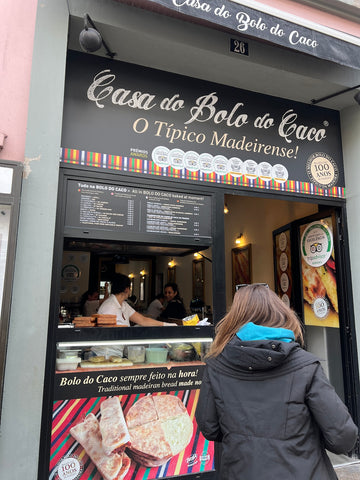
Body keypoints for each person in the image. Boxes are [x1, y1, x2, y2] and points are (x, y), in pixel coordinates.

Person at [195, 284, 358, 480]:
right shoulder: (305, 365)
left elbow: (210, 428)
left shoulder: (216, 366)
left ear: (234, 318)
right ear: (280, 313)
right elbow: (342, 437)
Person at [97, 274, 175, 326]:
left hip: (118, 349)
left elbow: (142, 320)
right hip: (106, 350)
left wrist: (166, 325)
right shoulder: (109, 306)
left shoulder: (124, 304)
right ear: (127, 289)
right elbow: (105, 331)